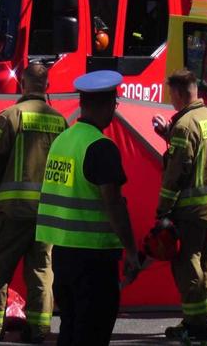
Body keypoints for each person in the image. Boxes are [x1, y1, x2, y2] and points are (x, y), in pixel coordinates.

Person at [35, 70, 141, 346]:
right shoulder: (100, 147)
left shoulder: (64, 140)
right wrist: (130, 249)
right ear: (108, 105)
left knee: (70, 329)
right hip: (94, 259)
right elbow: (114, 204)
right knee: (92, 333)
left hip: (63, 253)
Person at [0, 63, 67, 343]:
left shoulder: (9, 117)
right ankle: (39, 330)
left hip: (11, 212)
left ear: (21, 85)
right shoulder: (60, 122)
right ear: (47, 87)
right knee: (41, 271)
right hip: (46, 213)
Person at [151, 69, 207, 342]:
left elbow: (178, 171)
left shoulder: (185, 125)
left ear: (179, 94)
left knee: (187, 266)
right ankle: (201, 320)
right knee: (204, 265)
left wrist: (163, 208)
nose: (170, 100)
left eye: (171, 94)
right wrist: (169, 135)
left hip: (191, 210)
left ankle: (195, 325)